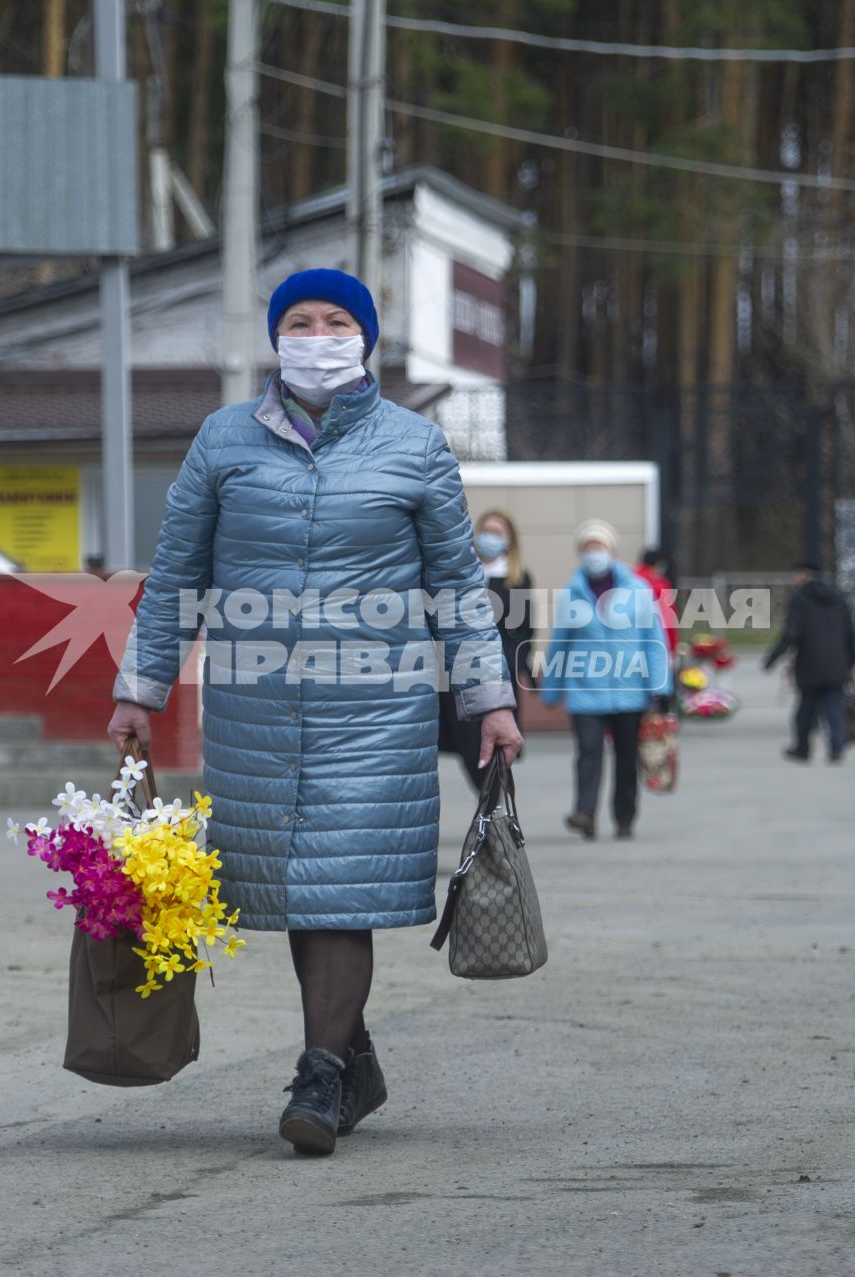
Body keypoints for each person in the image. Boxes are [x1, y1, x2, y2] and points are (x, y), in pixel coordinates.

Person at [107, 268, 522, 1157]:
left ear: (365, 338)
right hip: (257, 708)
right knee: (304, 886)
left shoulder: (415, 445)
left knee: (341, 889)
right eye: (301, 320)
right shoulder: (223, 441)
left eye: (338, 320)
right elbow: (176, 575)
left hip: (378, 711)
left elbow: (457, 586)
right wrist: (139, 691)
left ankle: (320, 1072)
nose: (320, 333)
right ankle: (352, 1055)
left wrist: (489, 699)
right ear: (275, 336)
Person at [538, 519, 671, 841]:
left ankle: (624, 817)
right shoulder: (572, 594)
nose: (594, 553)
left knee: (626, 758)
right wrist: (551, 689)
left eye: (599, 547)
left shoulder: (637, 590)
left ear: (612, 551)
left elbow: (654, 639)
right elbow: (560, 644)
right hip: (587, 691)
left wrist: (661, 686)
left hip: (629, 691)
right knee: (588, 752)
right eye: (588, 548)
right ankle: (585, 812)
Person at [437, 508, 536, 790]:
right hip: (459, 670)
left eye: (497, 533)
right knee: (467, 746)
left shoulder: (516, 578)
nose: (489, 538)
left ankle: (495, 810)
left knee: (493, 744)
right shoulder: (464, 573)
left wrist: (515, 665)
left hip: (497, 670)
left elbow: (523, 628)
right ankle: (489, 805)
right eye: (486, 530)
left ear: (509, 540)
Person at [763, 560, 855, 764]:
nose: (795, 579)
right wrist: (852, 659)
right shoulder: (839, 596)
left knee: (806, 708)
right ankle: (837, 748)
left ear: (805, 574)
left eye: (797, 574)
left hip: (809, 662)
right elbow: (850, 631)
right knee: (834, 706)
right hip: (836, 662)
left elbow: (791, 632)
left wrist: (772, 658)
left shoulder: (800, 598)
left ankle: (802, 748)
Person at [633, 546, 680, 712]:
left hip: (630, 648)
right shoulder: (660, 585)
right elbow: (668, 621)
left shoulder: (628, 581)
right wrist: (672, 649)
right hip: (658, 645)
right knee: (660, 696)